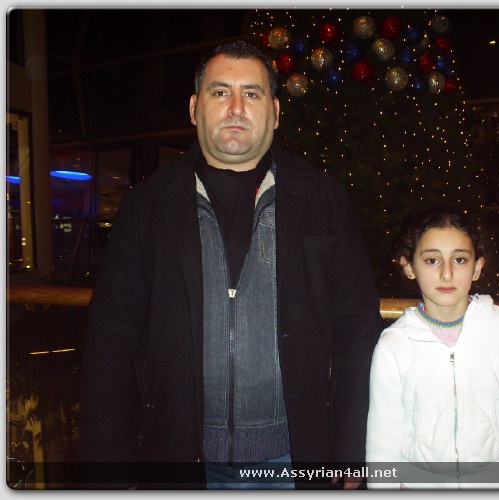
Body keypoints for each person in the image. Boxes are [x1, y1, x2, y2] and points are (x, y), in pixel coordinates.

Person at [79, 40, 383, 490]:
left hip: (298, 458)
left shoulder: (325, 200)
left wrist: (352, 450)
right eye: (220, 92)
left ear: (275, 112)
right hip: (177, 459)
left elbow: (358, 329)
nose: (236, 107)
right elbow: (111, 339)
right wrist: (109, 467)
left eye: (252, 93)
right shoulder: (146, 205)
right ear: (194, 108)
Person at [366, 206, 499, 489]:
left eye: (459, 260)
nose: (446, 274)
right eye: (432, 260)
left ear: (477, 266)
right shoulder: (394, 345)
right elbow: (383, 438)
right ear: (408, 266)